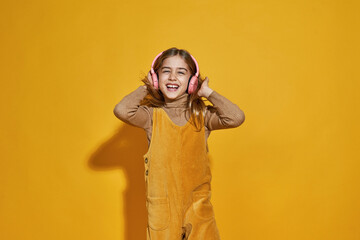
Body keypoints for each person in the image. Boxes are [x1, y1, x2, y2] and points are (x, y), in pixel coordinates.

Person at [113, 47, 245, 240]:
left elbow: (236, 117)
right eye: (166, 71)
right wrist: (146, 88)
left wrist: (207, 92)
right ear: (156, 79)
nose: (173, 77)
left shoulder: (203, 116)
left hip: (199, 209)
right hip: (162, 211)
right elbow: (122, 110)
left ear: (192, 82)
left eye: (181, 72)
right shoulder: (150, 117)